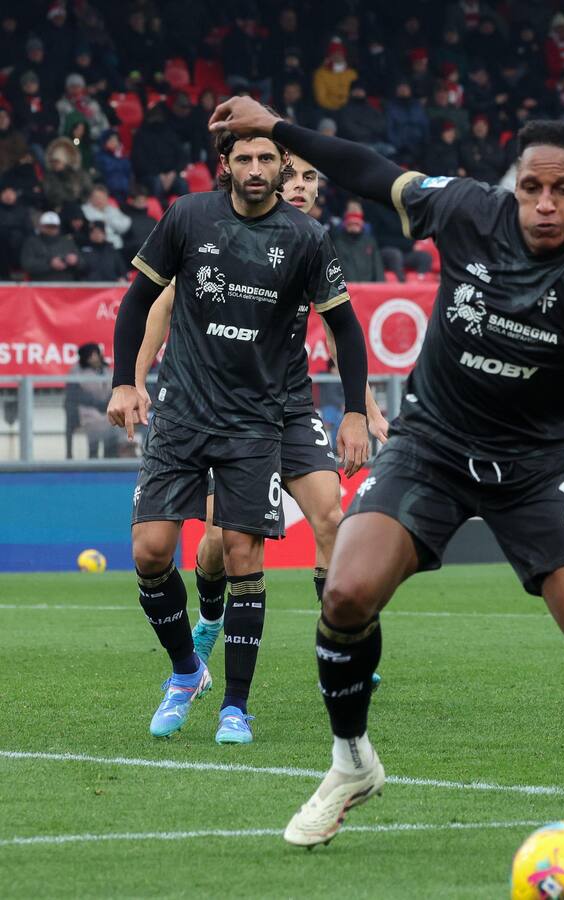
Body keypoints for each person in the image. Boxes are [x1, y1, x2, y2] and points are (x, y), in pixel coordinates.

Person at [207, 97, 564, 854]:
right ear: (515, 184)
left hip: (538, 465)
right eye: (532, 188)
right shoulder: (464, 210)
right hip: (434, 445)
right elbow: (368, 170)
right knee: (347, 593)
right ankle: (351, 762)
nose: (545, 205)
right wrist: (276, 129)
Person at [106, 128, 370, 746]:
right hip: (182, 412)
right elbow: (140, 300)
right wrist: (126, 381)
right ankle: (185, 672)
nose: (255, 169)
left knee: (246, 556)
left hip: (257, 419)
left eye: (266, 160)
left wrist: (356, 410)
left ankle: (236, 706)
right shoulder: (188, 216)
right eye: (243, 159)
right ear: (225, 165)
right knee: (150, 551)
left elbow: (347, 330)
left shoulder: (306, 238)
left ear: (282, 166)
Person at [66, 342, 121, 458]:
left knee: (112, 422)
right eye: (91, 355)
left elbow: (115, 389)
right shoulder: (76, 372)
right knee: (95, 425)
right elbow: (74, 394)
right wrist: (96, 403)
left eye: (96, 354)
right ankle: (93, 456)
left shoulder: (107, 370)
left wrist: (108, 402)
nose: (94, 358)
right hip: (87, 410)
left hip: (107, 408)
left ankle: (110, 457)